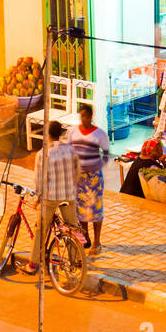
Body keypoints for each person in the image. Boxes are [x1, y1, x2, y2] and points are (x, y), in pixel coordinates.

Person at [23, 120, 80, 274]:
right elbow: (77, 172)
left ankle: (33, 265)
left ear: (47, 134)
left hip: (50, 198)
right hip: (68, 196)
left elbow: (39, 180)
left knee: (41, 230)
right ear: (60, 133)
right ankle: (75, 259)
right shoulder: (70, 150)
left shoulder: (43, 153)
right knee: (72, 229)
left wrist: (37, 199)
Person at [66, 103, 110, 256]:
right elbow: (69, 150)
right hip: (79, 178)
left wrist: (95, 166)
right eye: (81, 116)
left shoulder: (99, 134)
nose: (83, 119)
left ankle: (97, 242)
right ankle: (85, 237)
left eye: (86, 116)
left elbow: (105, 154)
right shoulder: (73, 132)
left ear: (91, 116)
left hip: (93, 179)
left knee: (96, 210)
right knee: (81, 210)